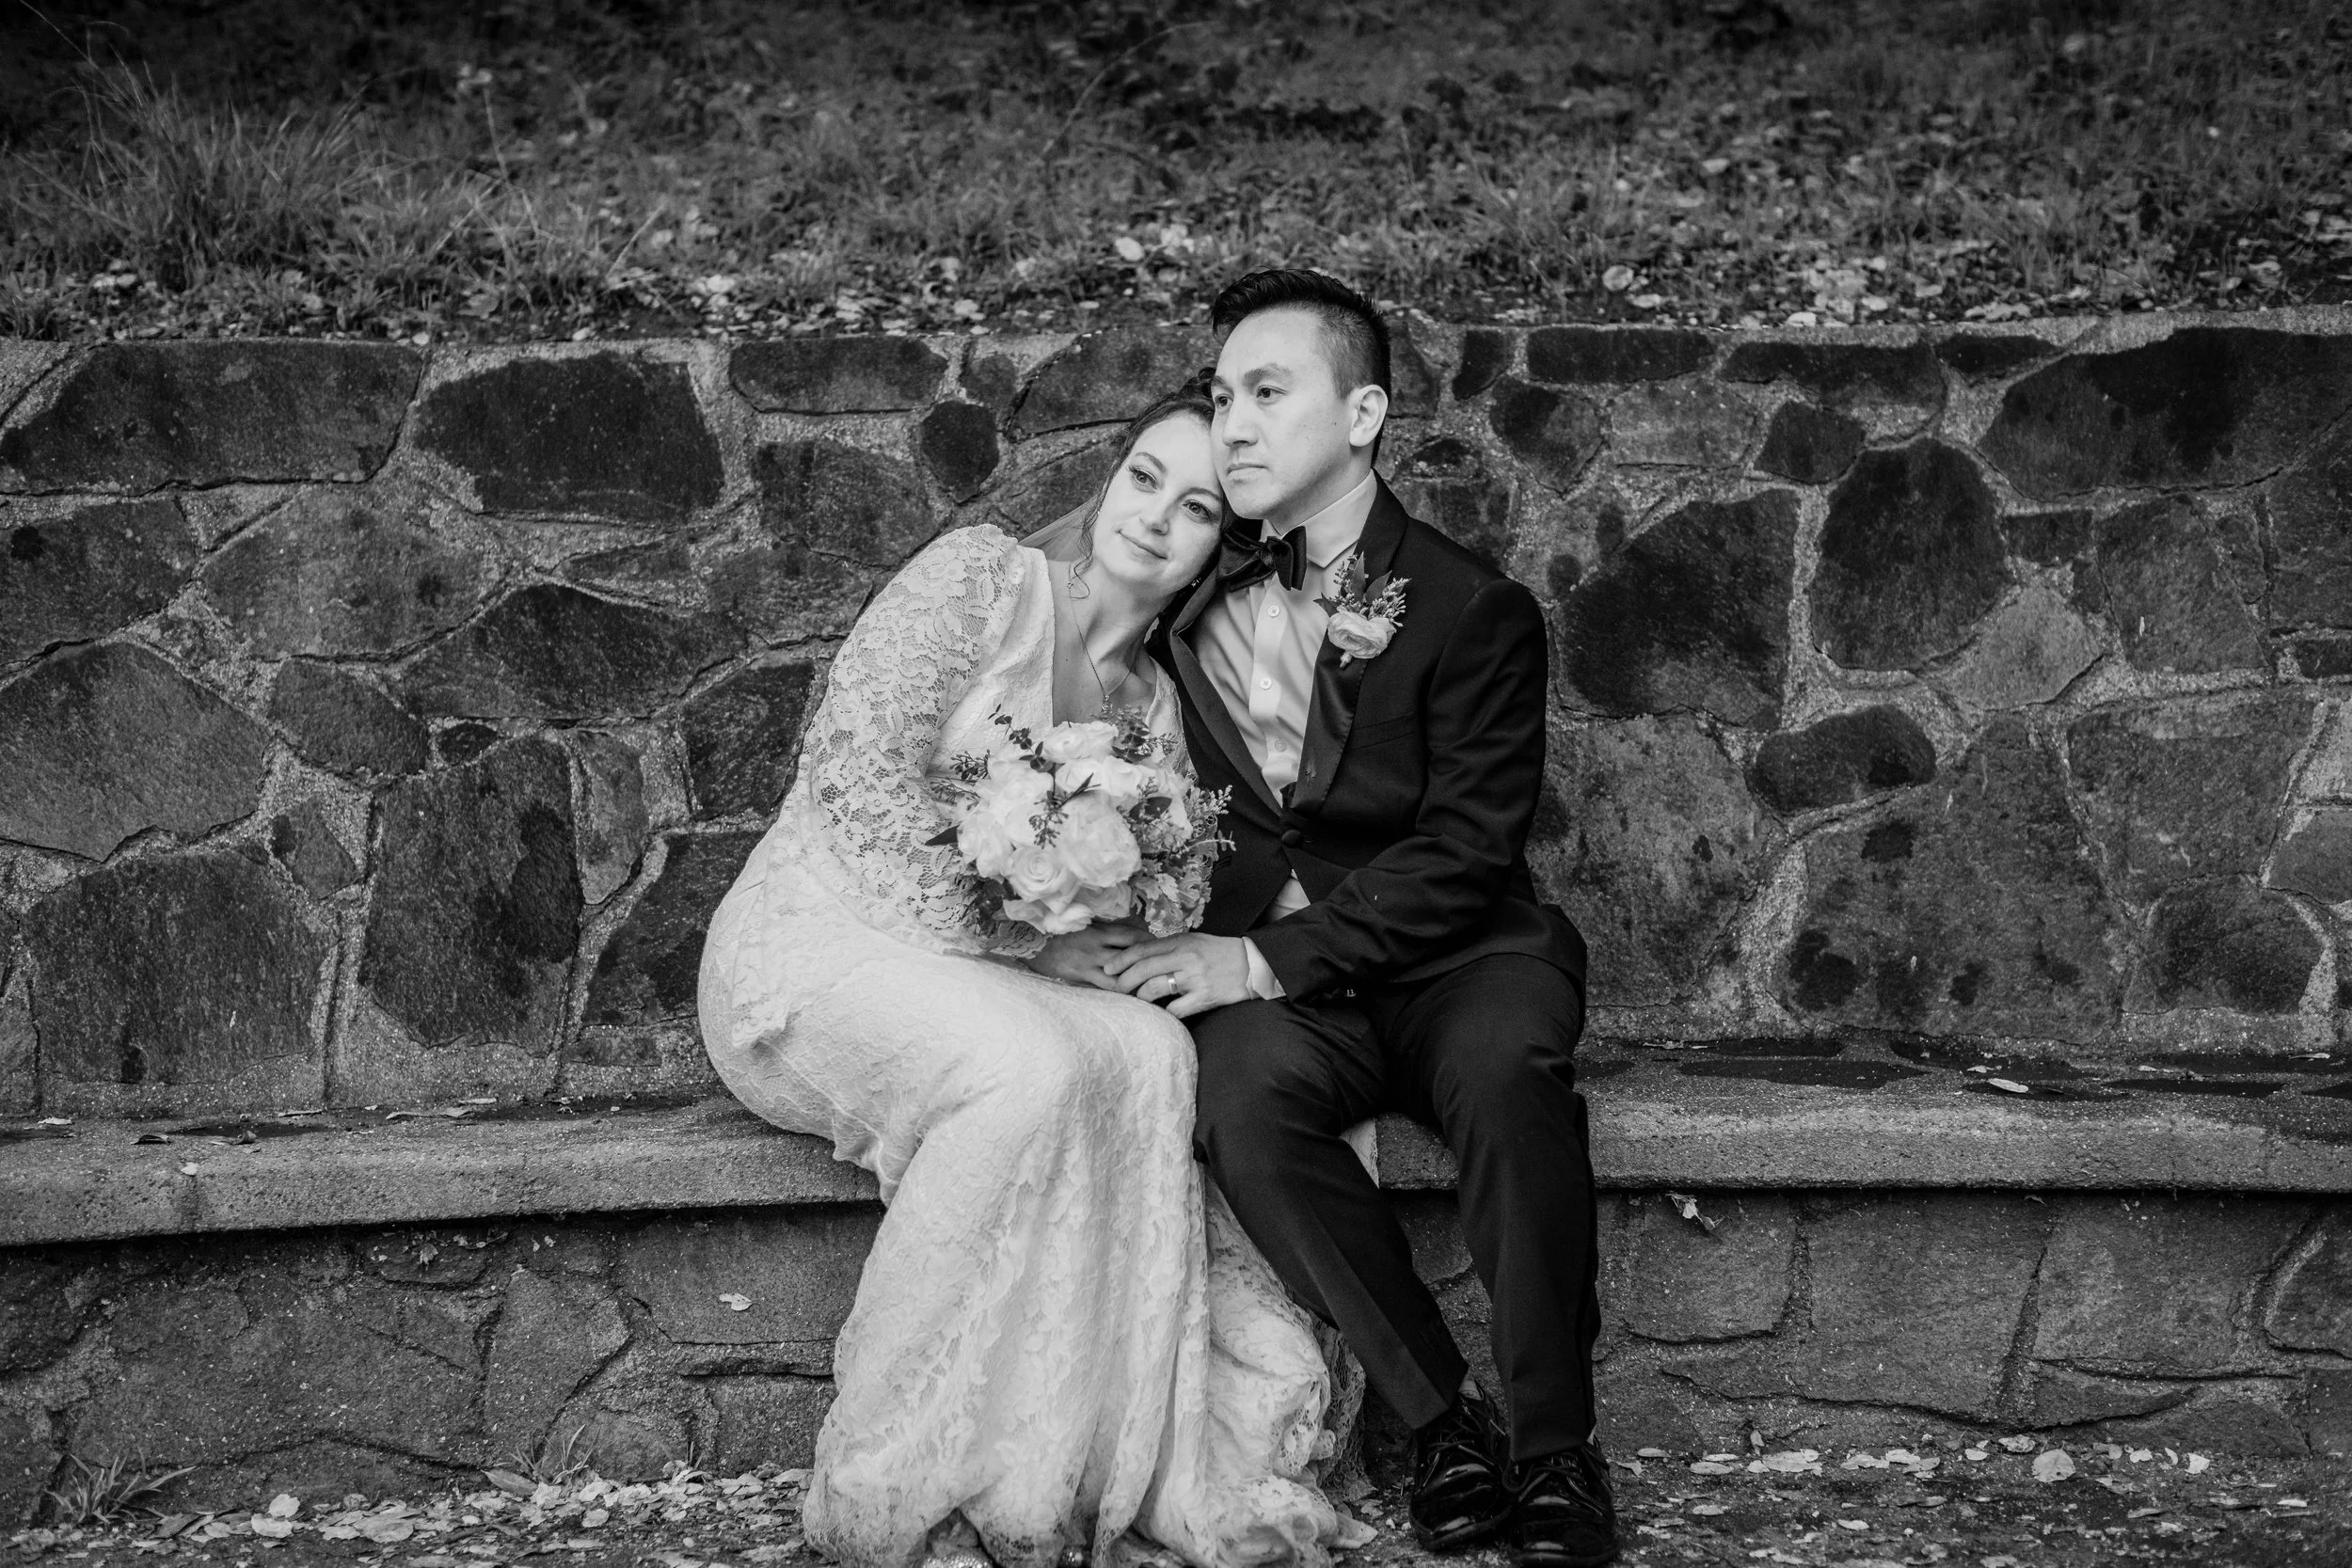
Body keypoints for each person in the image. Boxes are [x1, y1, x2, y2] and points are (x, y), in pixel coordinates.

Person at [698, 381, 1344, 1568]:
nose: (1153, 517)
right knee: (1027, 1072)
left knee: (1151, 1054)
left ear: (1219, 546)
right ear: (1111, 479)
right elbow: (856, 784)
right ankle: (896, 1471)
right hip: (817, 932)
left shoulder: (1158, 713)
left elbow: (1163, 884)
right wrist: (1037, 940)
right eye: (1144, 478)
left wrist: (1118, 909)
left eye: (1196, 508)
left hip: (986, 970)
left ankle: (1056, 1461)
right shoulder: (977, 581)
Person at [1105, 271, 1616, 1568]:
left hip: (1461, 957)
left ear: (1363, 413)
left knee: (1509, 1079)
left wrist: (1257, 956)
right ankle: (1443, 1422)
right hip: (1291, 996)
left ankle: (1557, 1443)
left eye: (1269, 392)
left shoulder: (1471, 605)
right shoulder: (1183, 592)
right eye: (1222, 395)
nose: (1233, 424)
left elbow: (1466, 851)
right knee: (1237, 1103)